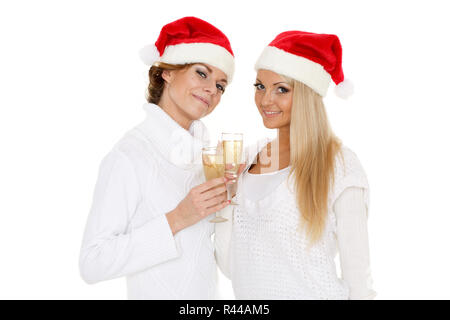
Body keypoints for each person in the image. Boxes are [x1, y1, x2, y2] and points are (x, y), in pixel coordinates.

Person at [79, 16, 235, 299]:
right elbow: (92, 262)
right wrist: (177, 218)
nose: (213, 90)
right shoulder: (130, 155)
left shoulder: (207, 160)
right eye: (202, 73)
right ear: (168, 72)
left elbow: (216, 260)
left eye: (221, 85)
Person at [215, 30, 377, 299]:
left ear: (307, 94)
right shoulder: (247, 160)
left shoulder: (340, 166)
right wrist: (225, 191)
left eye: (282, 89)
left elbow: (359, 281)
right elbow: (233, 267)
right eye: (260, 86)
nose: (266, 100)